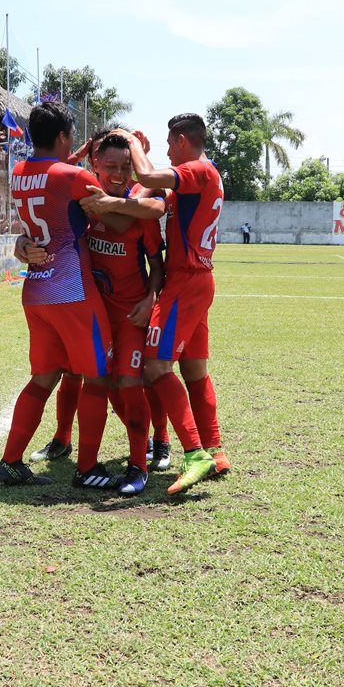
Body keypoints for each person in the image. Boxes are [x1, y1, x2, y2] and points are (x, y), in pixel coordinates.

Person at [20, 132, 168, 495]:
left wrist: (150, 299)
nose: (119, 174)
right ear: (95, 167)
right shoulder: (81, 204)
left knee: (131, 383)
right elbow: (51, 198)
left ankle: (140, 463)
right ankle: (66, 442)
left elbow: (157, 263)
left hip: (130, 313)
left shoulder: (139, 205)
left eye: (125, 167)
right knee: (84, 378)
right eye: (111, 167)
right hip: (90, 310)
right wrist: (21, 245)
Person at [0, 102, 117, 489]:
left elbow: (50, 177)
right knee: (97, 378)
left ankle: (11, 462)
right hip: (73, 289)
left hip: (36, 289)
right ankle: (88, 468)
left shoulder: (17, 172)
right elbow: (112, 205)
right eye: (71, 138)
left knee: (42, 379)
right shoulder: (74, 176)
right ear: (64, 136)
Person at [119, 115, 226, 494]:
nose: (166, 151)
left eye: (168, 143)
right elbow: (146, 196)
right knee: (195, 370)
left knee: (155, 365)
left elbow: (147, 179)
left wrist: (132, 142)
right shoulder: (200, 178)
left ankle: (195, 453)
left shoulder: (197, 170)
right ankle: (214, 447)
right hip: (198, 281)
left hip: (185, 282)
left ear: (182, 141)